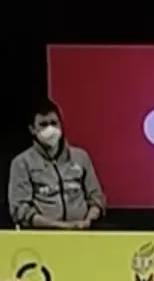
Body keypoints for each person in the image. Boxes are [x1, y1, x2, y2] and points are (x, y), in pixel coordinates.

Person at [8, 99, 106, 230]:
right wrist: (61, 226)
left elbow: (96, 199)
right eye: (43, 124)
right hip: (42, 235)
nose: (50, 129)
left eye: (54, 123)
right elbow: (20, 210)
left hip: (82, 232)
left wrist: (88, 220)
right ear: (32, 129)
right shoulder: (21, 163)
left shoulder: (81, 157)